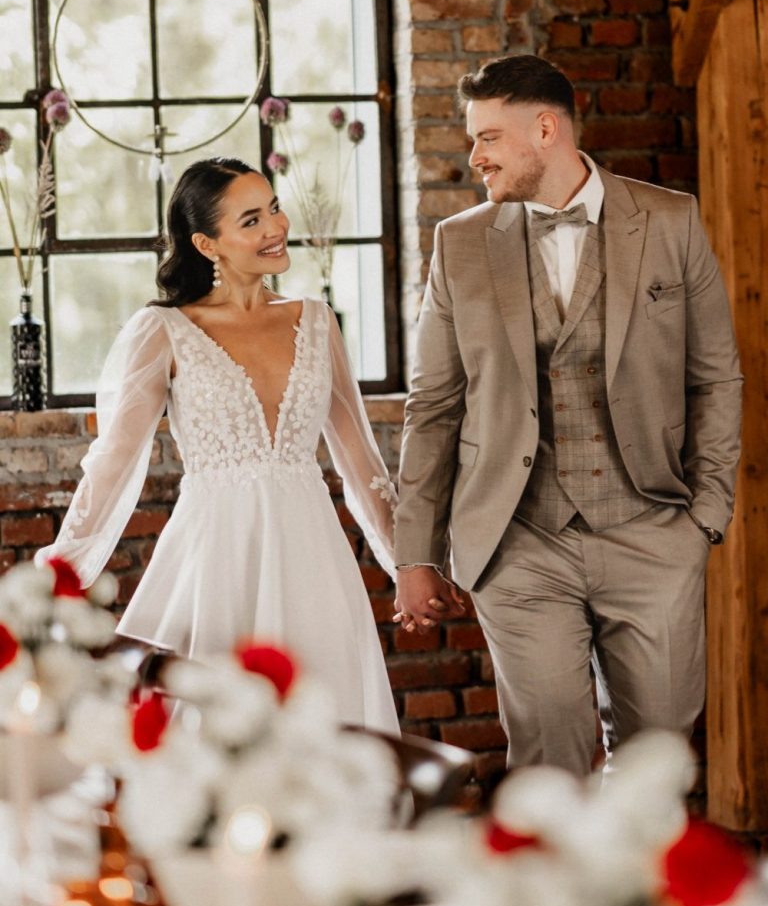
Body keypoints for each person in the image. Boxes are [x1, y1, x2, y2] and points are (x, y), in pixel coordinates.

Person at [394, 55, 742, 775]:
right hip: (519, 541)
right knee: (548, 769)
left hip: (652, 534)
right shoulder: (459, 244)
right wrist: (415, 555)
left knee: (656, 768)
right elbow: (433, 406)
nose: (475, 156)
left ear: (545, 129)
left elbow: (715, 377)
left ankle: (636, 891)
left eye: (488, 137)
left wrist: (706, 514)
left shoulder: (671, 222)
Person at [37, 157, 399, 735]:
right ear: (207, 243)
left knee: (324, 716)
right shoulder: (164, 330)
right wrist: (55, 581)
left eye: (274, 208)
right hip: (215, 557)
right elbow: (112, 467)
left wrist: (407, 564)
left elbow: (360, 459)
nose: (276, 228)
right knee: (205, 726)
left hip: (313, 557)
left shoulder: (316, 318)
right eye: (251, 220)